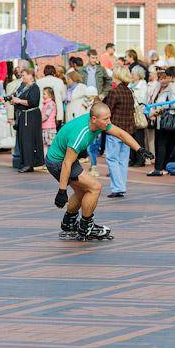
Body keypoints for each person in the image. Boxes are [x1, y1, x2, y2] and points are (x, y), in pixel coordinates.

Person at [48, 102, 152, 240]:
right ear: (94, 119)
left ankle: (69, 224)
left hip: (64, 160)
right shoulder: (81, 134)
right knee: (95, 187)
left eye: (109, 117)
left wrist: (139, 149)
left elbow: (120, 133)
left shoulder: (98, 122)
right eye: (106, 119)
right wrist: (62, 191)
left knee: (82, 192)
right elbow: (67, 163)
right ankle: (86, 227)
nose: (109, 122)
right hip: (58, 162)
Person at [146, 66, 175, 177]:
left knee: (162, 144)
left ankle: (159, 168)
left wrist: (158, 110)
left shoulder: (173, 87)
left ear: (171, 76)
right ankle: (167, 167)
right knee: (169, 144)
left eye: (166, 77)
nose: (164, 79)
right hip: (174, 119)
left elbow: (172, 104)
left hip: (167, 119)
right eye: (161, 78)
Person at [103, 68, 136, 198]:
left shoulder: (114, 92)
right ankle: (121, 186)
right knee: (123, 160)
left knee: (112, 158)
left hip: (115, 129)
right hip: (127, 130)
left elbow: (107, 111)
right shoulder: (129, 92)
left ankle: (117, 187)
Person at [11, 67, 44, 173]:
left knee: (28, 140)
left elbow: (33, 102)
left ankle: (29, 163)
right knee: (22, 140)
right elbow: (18, 98)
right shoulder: (23, 86)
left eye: (24, 74)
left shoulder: (35, 87)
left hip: (31, 116)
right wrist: (14, 100)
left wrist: (19, 101)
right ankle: (24, 161)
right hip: (23, 115)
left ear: (30, 75)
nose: (22, 77)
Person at [41, 86, 57, 151]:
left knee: (51, 144)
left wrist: (38, 120)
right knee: (44, 144)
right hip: (44, 127)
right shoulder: (46, 104)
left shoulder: (51, 104)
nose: (43, 95)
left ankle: (51, 159)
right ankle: (45, 159)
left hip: (50, 128)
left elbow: (46, 116)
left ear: (50, 95)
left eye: (44, 94)